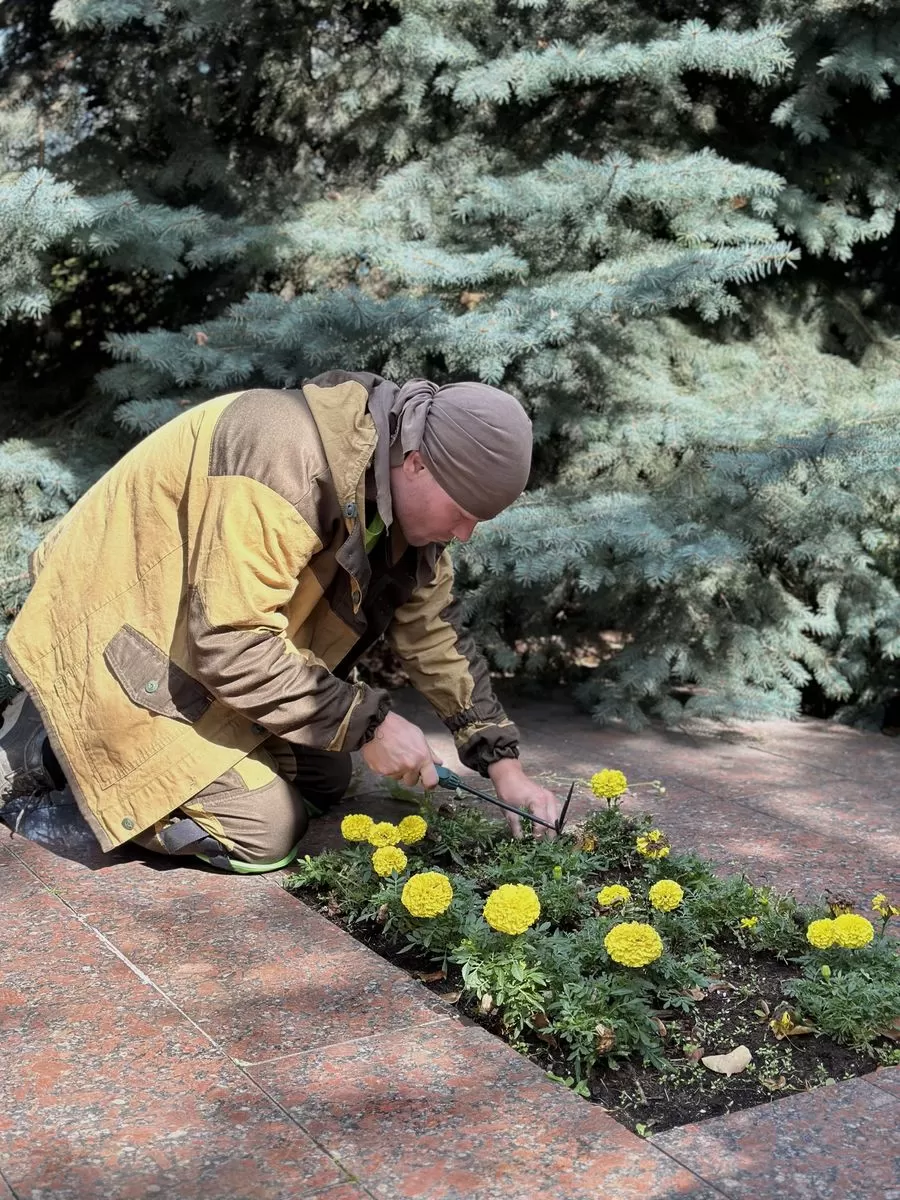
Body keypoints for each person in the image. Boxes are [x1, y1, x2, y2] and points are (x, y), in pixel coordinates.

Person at [0, 371, 560, 872]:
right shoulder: (282, 457)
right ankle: (44, 746)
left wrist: (504, 766)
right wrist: (369, 723)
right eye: (462, 514)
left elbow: (433, 632)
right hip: (118, 642)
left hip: (196, 647)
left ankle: (126, 758)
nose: (464, 535)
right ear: (416, 463)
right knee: (265, 829)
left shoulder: (395, 494)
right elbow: (231, 643)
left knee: (326, 777)